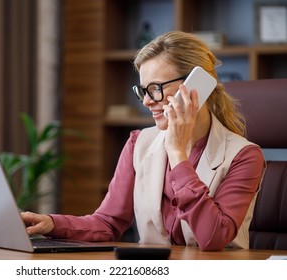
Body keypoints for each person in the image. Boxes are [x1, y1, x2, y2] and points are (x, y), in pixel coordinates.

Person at [21, 30, 265, 251]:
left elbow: (213, 237)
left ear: (197, 87)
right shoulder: (139, 143)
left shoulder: (244, 156)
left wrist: (177, 154)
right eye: (143, 91)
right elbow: (108, 222)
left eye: (156, 88)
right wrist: (51, 224)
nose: (147, 101)